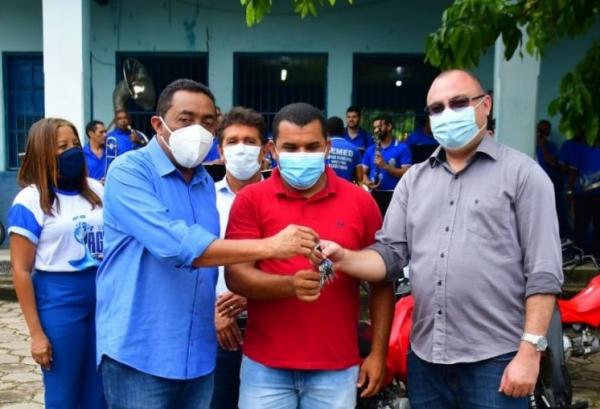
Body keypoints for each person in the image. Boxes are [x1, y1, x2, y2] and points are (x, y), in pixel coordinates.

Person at [317, 70, 563, 409]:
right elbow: (390, 256)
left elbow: (544, 273)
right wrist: (343, 256)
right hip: (426, 359)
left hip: (496, 360)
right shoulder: (414, 181)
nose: (447, 113)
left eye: (459, 103)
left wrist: (530, 352)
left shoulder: (524, 176)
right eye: (436, 108)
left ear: (485, 105)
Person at [95, 79, 318, 409]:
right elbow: (178, 246)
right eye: (186, 120)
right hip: (141, 353)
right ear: (159, 124)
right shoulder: (129, 171)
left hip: (199, 354)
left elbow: (210, 265)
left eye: (208, 122)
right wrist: (271, 246)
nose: (198, 130)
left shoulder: (201, 183)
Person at [225, 102, 395, 409]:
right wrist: (289, 286)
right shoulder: (251, 199)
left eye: (311, 146)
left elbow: (382, 281)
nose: (302, 155)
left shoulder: (360, 202)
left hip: (336, 367)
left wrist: (378, 353)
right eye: (291, 147)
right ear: (273, 150)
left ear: (327, 147)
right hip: (265, 365)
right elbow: (236, 275)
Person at [8, 118, 105, 409]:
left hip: (101, 295)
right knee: (63, 393)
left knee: (99, 392)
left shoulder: (97, 190)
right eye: (62, 147)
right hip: (59, 298)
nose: (73, 151)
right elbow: (21, 271)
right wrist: (36, 334)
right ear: (42, 153)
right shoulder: (30, 200)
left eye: (75, 144)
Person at [210, 106, 268, 409]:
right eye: (232, 141)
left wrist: (253, 295)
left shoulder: (280, 201)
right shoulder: (203, 200)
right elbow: (188, 261)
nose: (241, 149)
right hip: (217, 328)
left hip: (271, 327)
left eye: (250, 141)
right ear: (220, 150)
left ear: (264, 151)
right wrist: (213, 312)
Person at [361, 114, 412, 190]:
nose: (376, 130)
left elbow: (407, 174)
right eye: (374, 128)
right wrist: (367, 182)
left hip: (393, 194)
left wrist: (385, 166)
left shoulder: (402, 148)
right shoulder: (370, 149)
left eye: (379, 127)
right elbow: (362, 172)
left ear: (389, 127)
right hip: (372, 194)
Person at [573, 136, 600, 256]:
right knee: (581, 224)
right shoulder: (583, 151)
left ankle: (593, 253)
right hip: (582, 194)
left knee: (595, 225)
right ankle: (579, 252)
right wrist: (570, 189)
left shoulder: (583, 151)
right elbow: (573, 170)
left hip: (595, 195)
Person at [326, 116, 363, 183]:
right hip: (347, 190)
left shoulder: (323, 147)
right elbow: (360, 177)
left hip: (327, 189)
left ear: (327, 131)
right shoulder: (354, 149)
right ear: (343, 130)